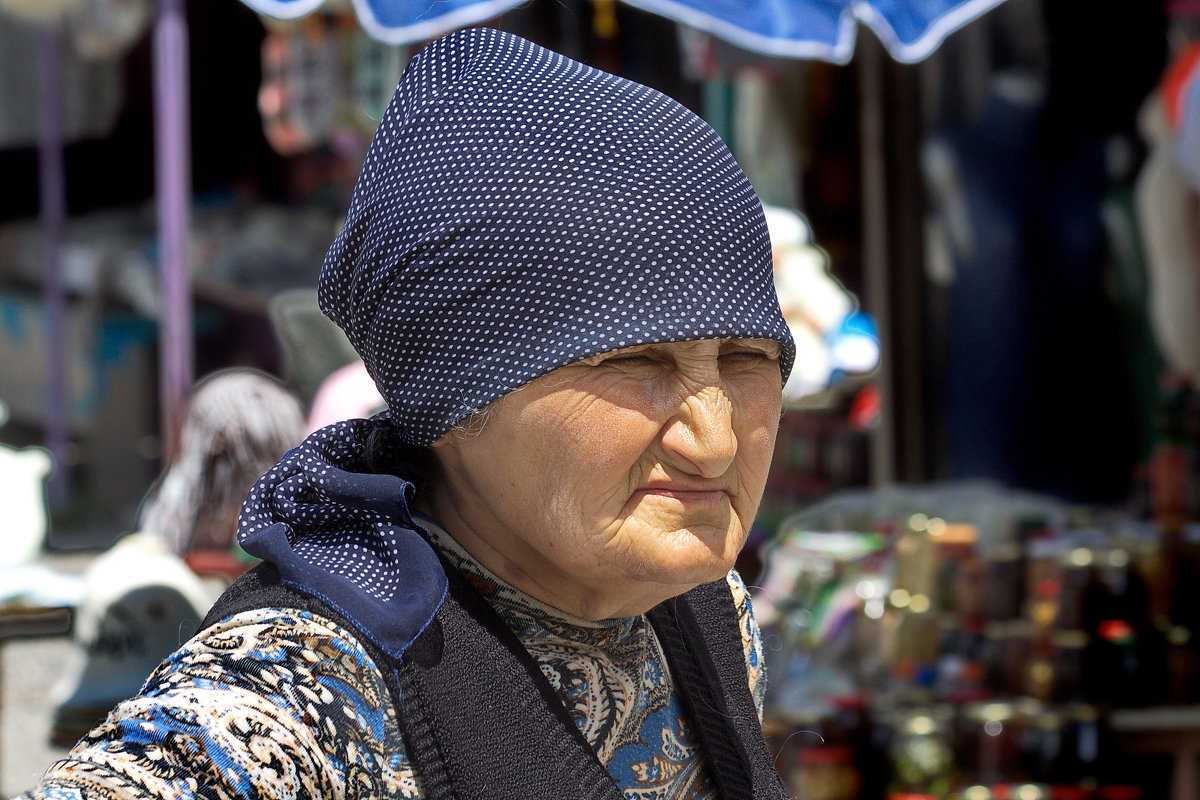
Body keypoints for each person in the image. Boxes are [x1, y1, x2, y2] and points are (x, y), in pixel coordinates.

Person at [20, 27, 795, 799]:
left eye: (748, 357)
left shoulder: (701, 610)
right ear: (455, 399)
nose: (715, 440)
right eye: (634, 360)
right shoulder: (301, 702)